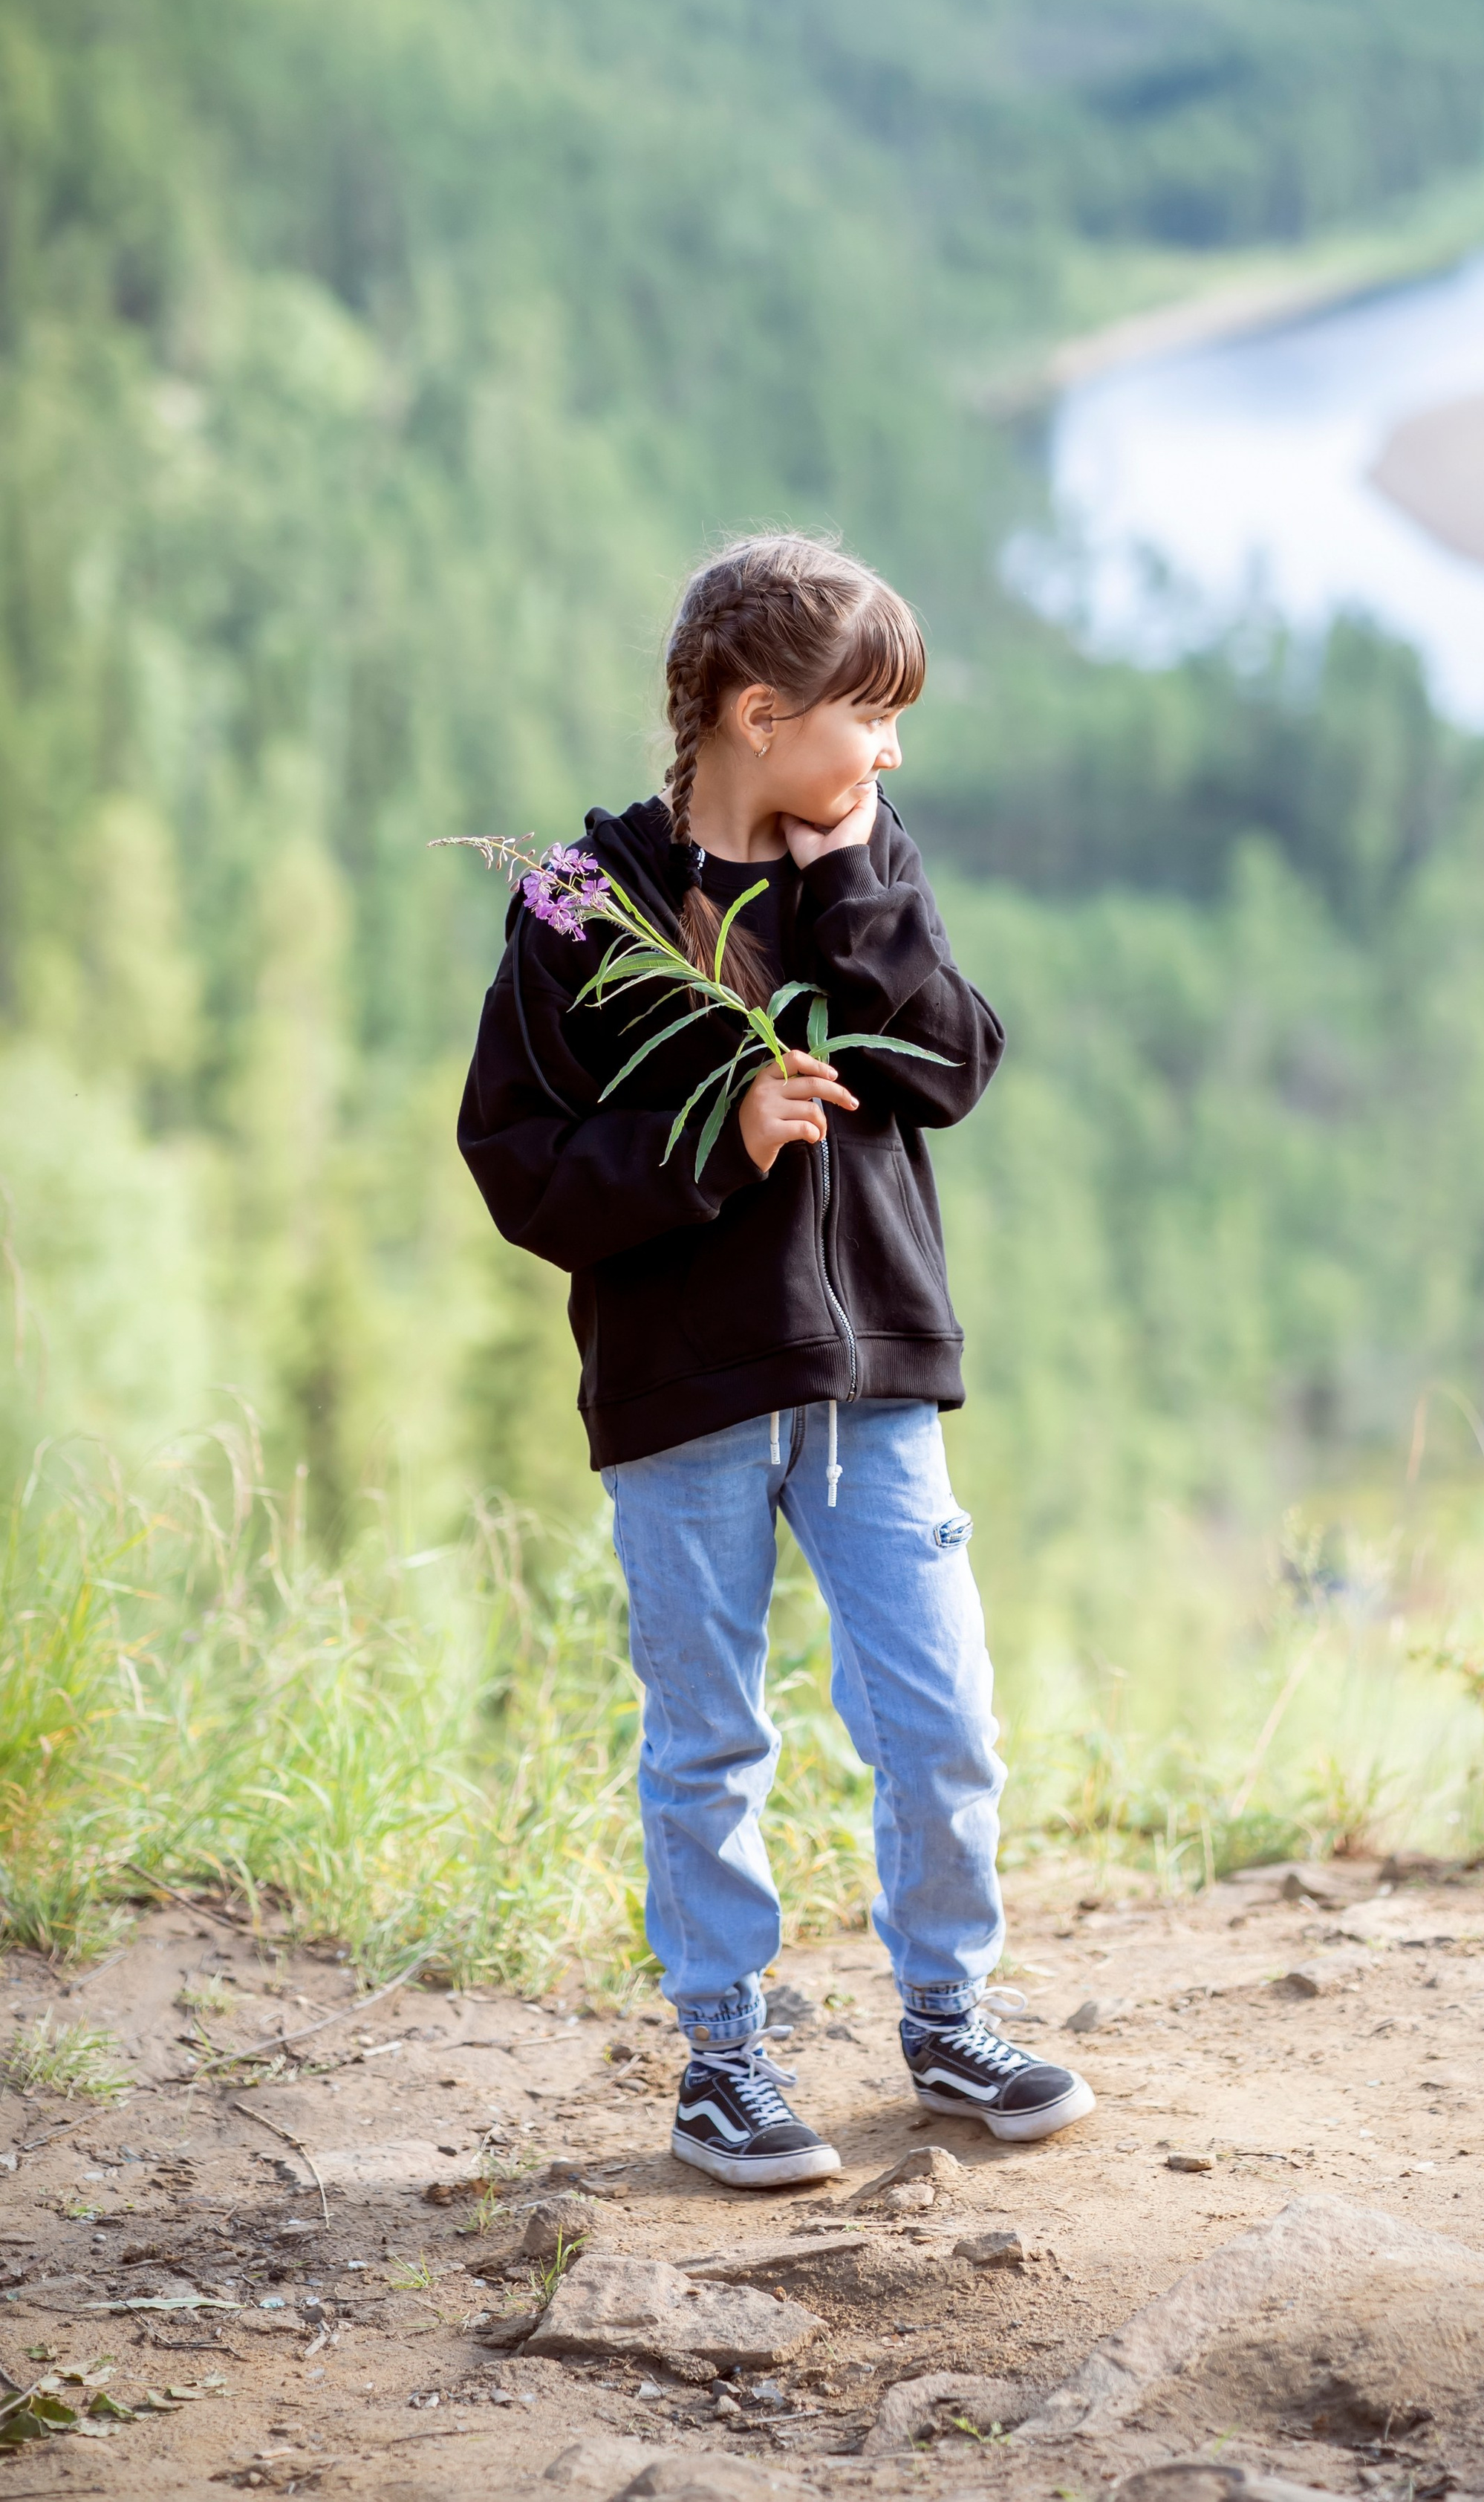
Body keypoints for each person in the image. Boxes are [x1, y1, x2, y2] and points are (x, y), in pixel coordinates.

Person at [458, 533, 1095, 2187]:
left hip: (870, 1376)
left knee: (940, 1711)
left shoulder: (862, 864)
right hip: (685, 1402)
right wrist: (715, 1145)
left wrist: (860, 874)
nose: (889, 750)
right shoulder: (579, 901)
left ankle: (949, 2011)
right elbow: (517, 1162)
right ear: (757, 710)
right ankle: (724, 2057)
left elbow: (949, 1064)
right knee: (708, 1734)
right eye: (867, 715)